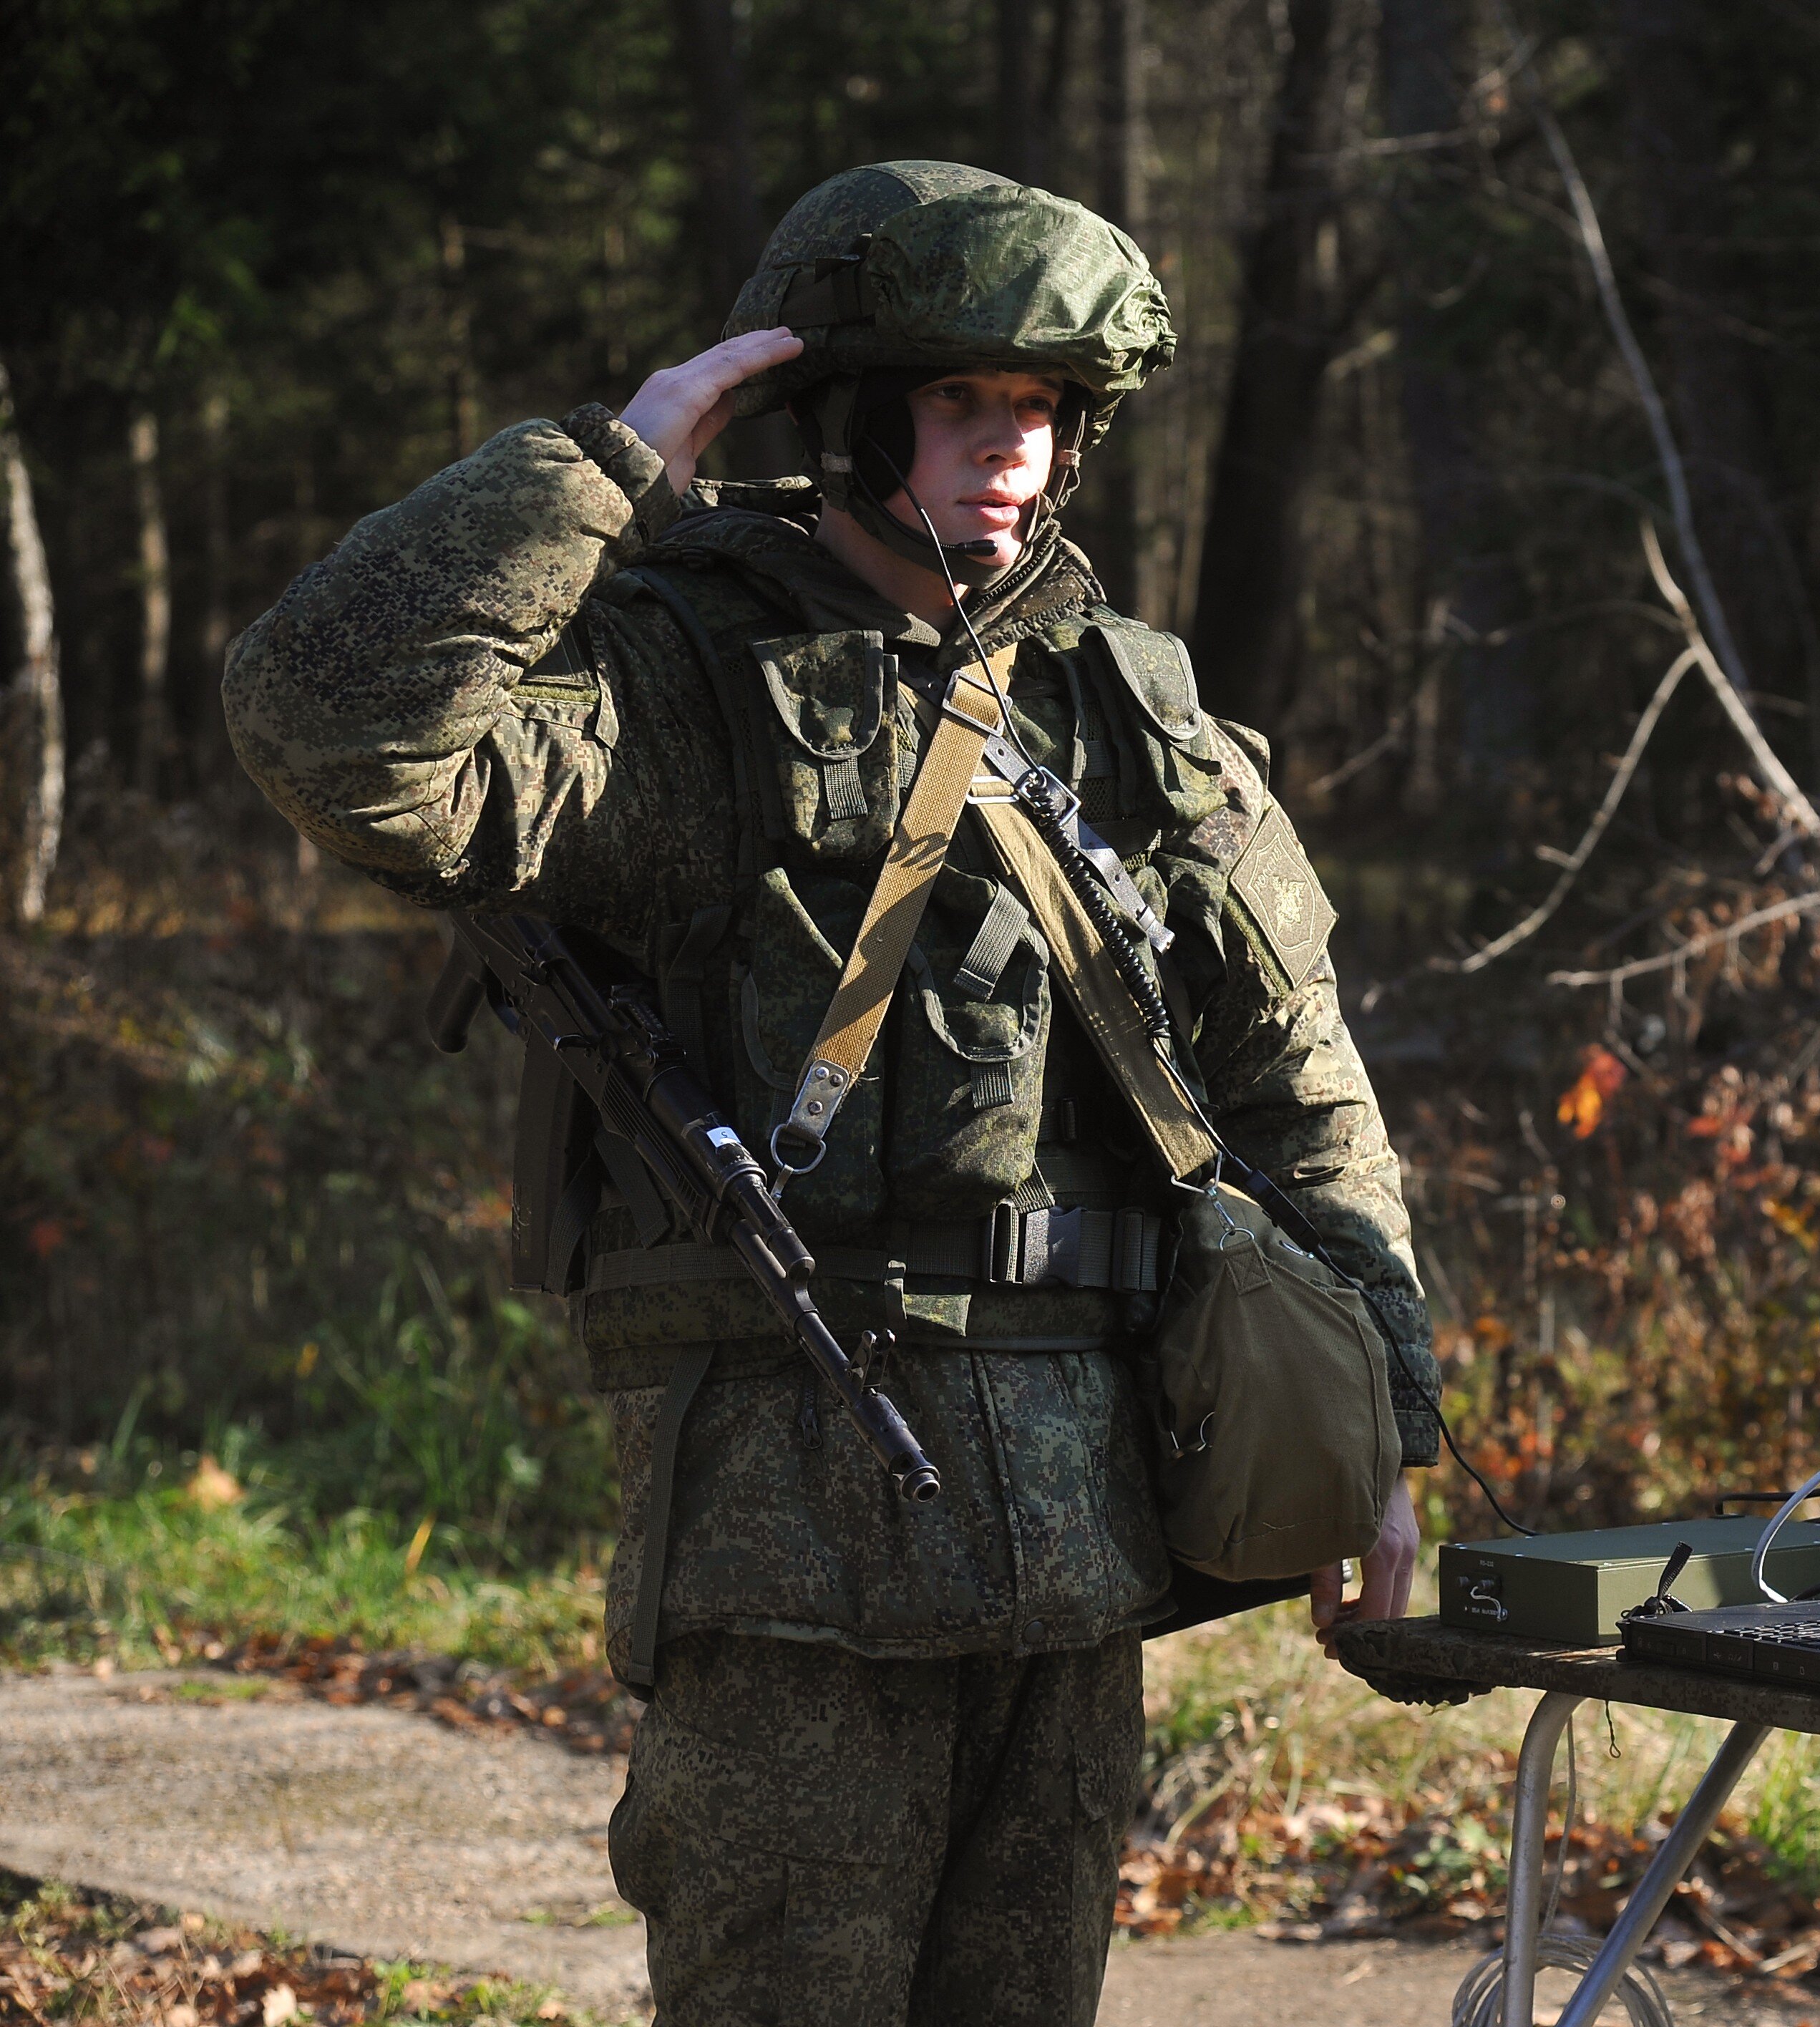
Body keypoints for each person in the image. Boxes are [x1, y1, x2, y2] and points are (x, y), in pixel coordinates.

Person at [223, 160, 1441, 2026]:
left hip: (1091, 1561)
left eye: (1040, 410)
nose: (1010, 453)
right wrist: (618, 461)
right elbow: (342, 727)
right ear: (855, 412)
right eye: (963, 403)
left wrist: (1379, 1446)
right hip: (792, 1572)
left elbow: (1298, 1091)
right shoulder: (684, 683)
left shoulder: (1131, 711)